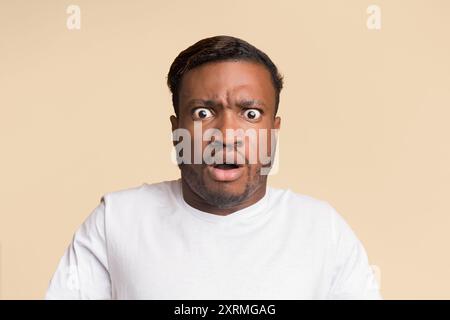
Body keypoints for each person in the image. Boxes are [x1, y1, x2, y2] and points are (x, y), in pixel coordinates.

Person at [45, 35, 381, 299]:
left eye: (250, 114)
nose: (227, 135)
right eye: (203, 113)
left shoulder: (323, 231)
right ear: (177, 131)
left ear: (273, 132)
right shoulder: (115, 221)